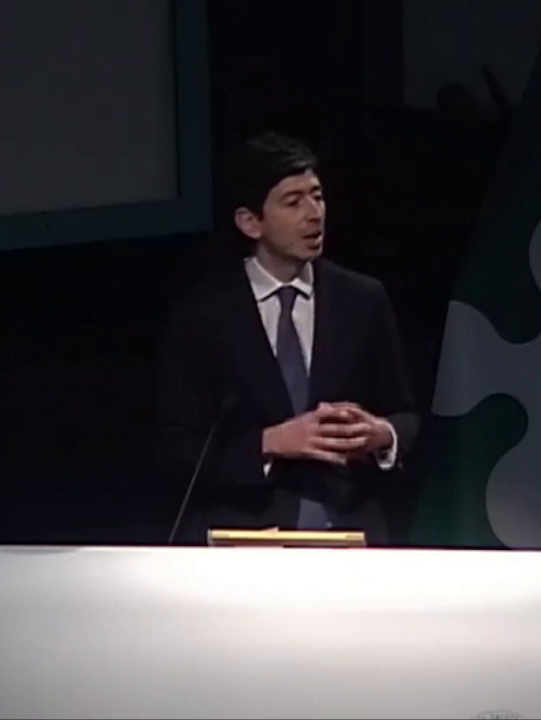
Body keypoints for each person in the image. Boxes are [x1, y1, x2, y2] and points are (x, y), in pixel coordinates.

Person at [153, 131, 419, 544]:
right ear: (250, 222)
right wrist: (269, 443)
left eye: (318, 197)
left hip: (349, 532)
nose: (314, 214)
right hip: (246, 533)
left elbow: (405, 414)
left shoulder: (362, 300)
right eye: (293, 202)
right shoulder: (203, 313)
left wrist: (380, 434)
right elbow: (176, 447)